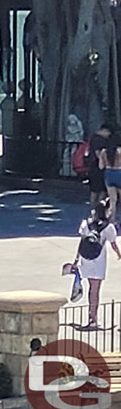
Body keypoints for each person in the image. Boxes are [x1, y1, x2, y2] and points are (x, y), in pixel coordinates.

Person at [74, 201, 121, 331]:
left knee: (91, 288)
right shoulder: (108, 227)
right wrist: (119, 254)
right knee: (95, 290)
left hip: (86, 259)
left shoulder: (86, 224)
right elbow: (113, 243)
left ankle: (91, 316)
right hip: (98, 260)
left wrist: (76, 260)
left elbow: (81, 242)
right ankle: (93, 319)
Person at [88, 125, 113, 211]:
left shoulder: (93, 138)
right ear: (105, 131)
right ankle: (98, 209)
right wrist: (106, 163)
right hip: (98, 168)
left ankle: (94, 209)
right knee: (101, 190)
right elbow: (98, 153)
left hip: (93, 167)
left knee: (94, 190)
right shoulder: (99, 140)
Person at [98, 138, 121, 223]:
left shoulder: (104, 152)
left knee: (112, 200)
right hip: (119, 172)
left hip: (109, 174)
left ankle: (112, 219)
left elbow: (101, 166)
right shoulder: (119, 151)